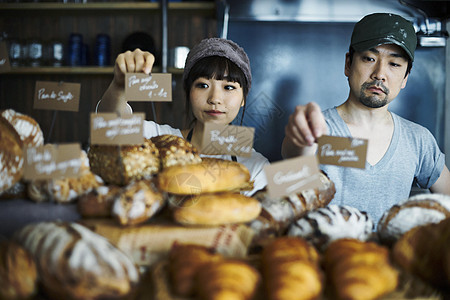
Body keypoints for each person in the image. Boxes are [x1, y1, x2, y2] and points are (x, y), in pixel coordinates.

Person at [282, 13, 450, 223]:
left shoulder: (418, 139)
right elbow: (281, 195)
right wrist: (300, 149)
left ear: (405, 78)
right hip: (324, 252)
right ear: (348, 64)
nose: (380, 74)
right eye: (369, 58)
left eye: (394, 64)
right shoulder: (316, 128)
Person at [96, 37, 269, 195]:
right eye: (202, 85)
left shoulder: (256, 167)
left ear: (243, 98)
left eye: (229, 87)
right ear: (188, 92)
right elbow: (110, 127)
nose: (215, 99)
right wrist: (119, 86)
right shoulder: (158, 141)